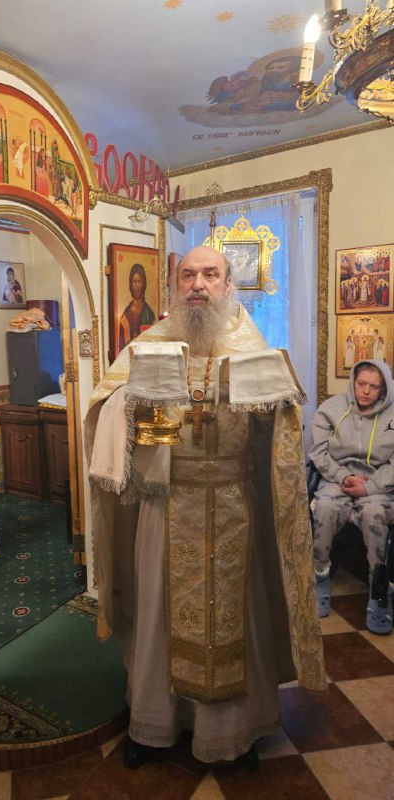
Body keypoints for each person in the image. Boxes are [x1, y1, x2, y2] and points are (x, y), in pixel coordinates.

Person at [86, 245, 325, 769]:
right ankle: (154, 725)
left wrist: (267, 402)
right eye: (188, 275)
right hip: (166, 502)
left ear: (227, 284)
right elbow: (109, 406)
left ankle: (234, 733)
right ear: (174, 285)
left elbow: (280, 427)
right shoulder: (150, 343)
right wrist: (139, 403)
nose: (198, 284)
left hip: (234, 503)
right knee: (158, 613)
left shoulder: (250, 344)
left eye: (210, 274)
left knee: (236, 615)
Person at [310, 359, 394, 635]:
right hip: (337, 480)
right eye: (361, 384)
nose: (366, 391)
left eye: (374, 386)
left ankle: (379, 591)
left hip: (377, 482)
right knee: (324, 508)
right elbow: (318, 453)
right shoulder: (330, 409)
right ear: (353, 382)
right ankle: (319, 577)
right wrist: (343, 476)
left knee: (374, 514)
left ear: (384, 389)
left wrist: (370, 487)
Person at [117, 263, 156, 352]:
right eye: (134, 282)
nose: (136, 286)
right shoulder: (126, 315)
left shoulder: (149, 314)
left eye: (139, 281)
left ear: (143, 284)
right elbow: (121, 348)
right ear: (130, 284)